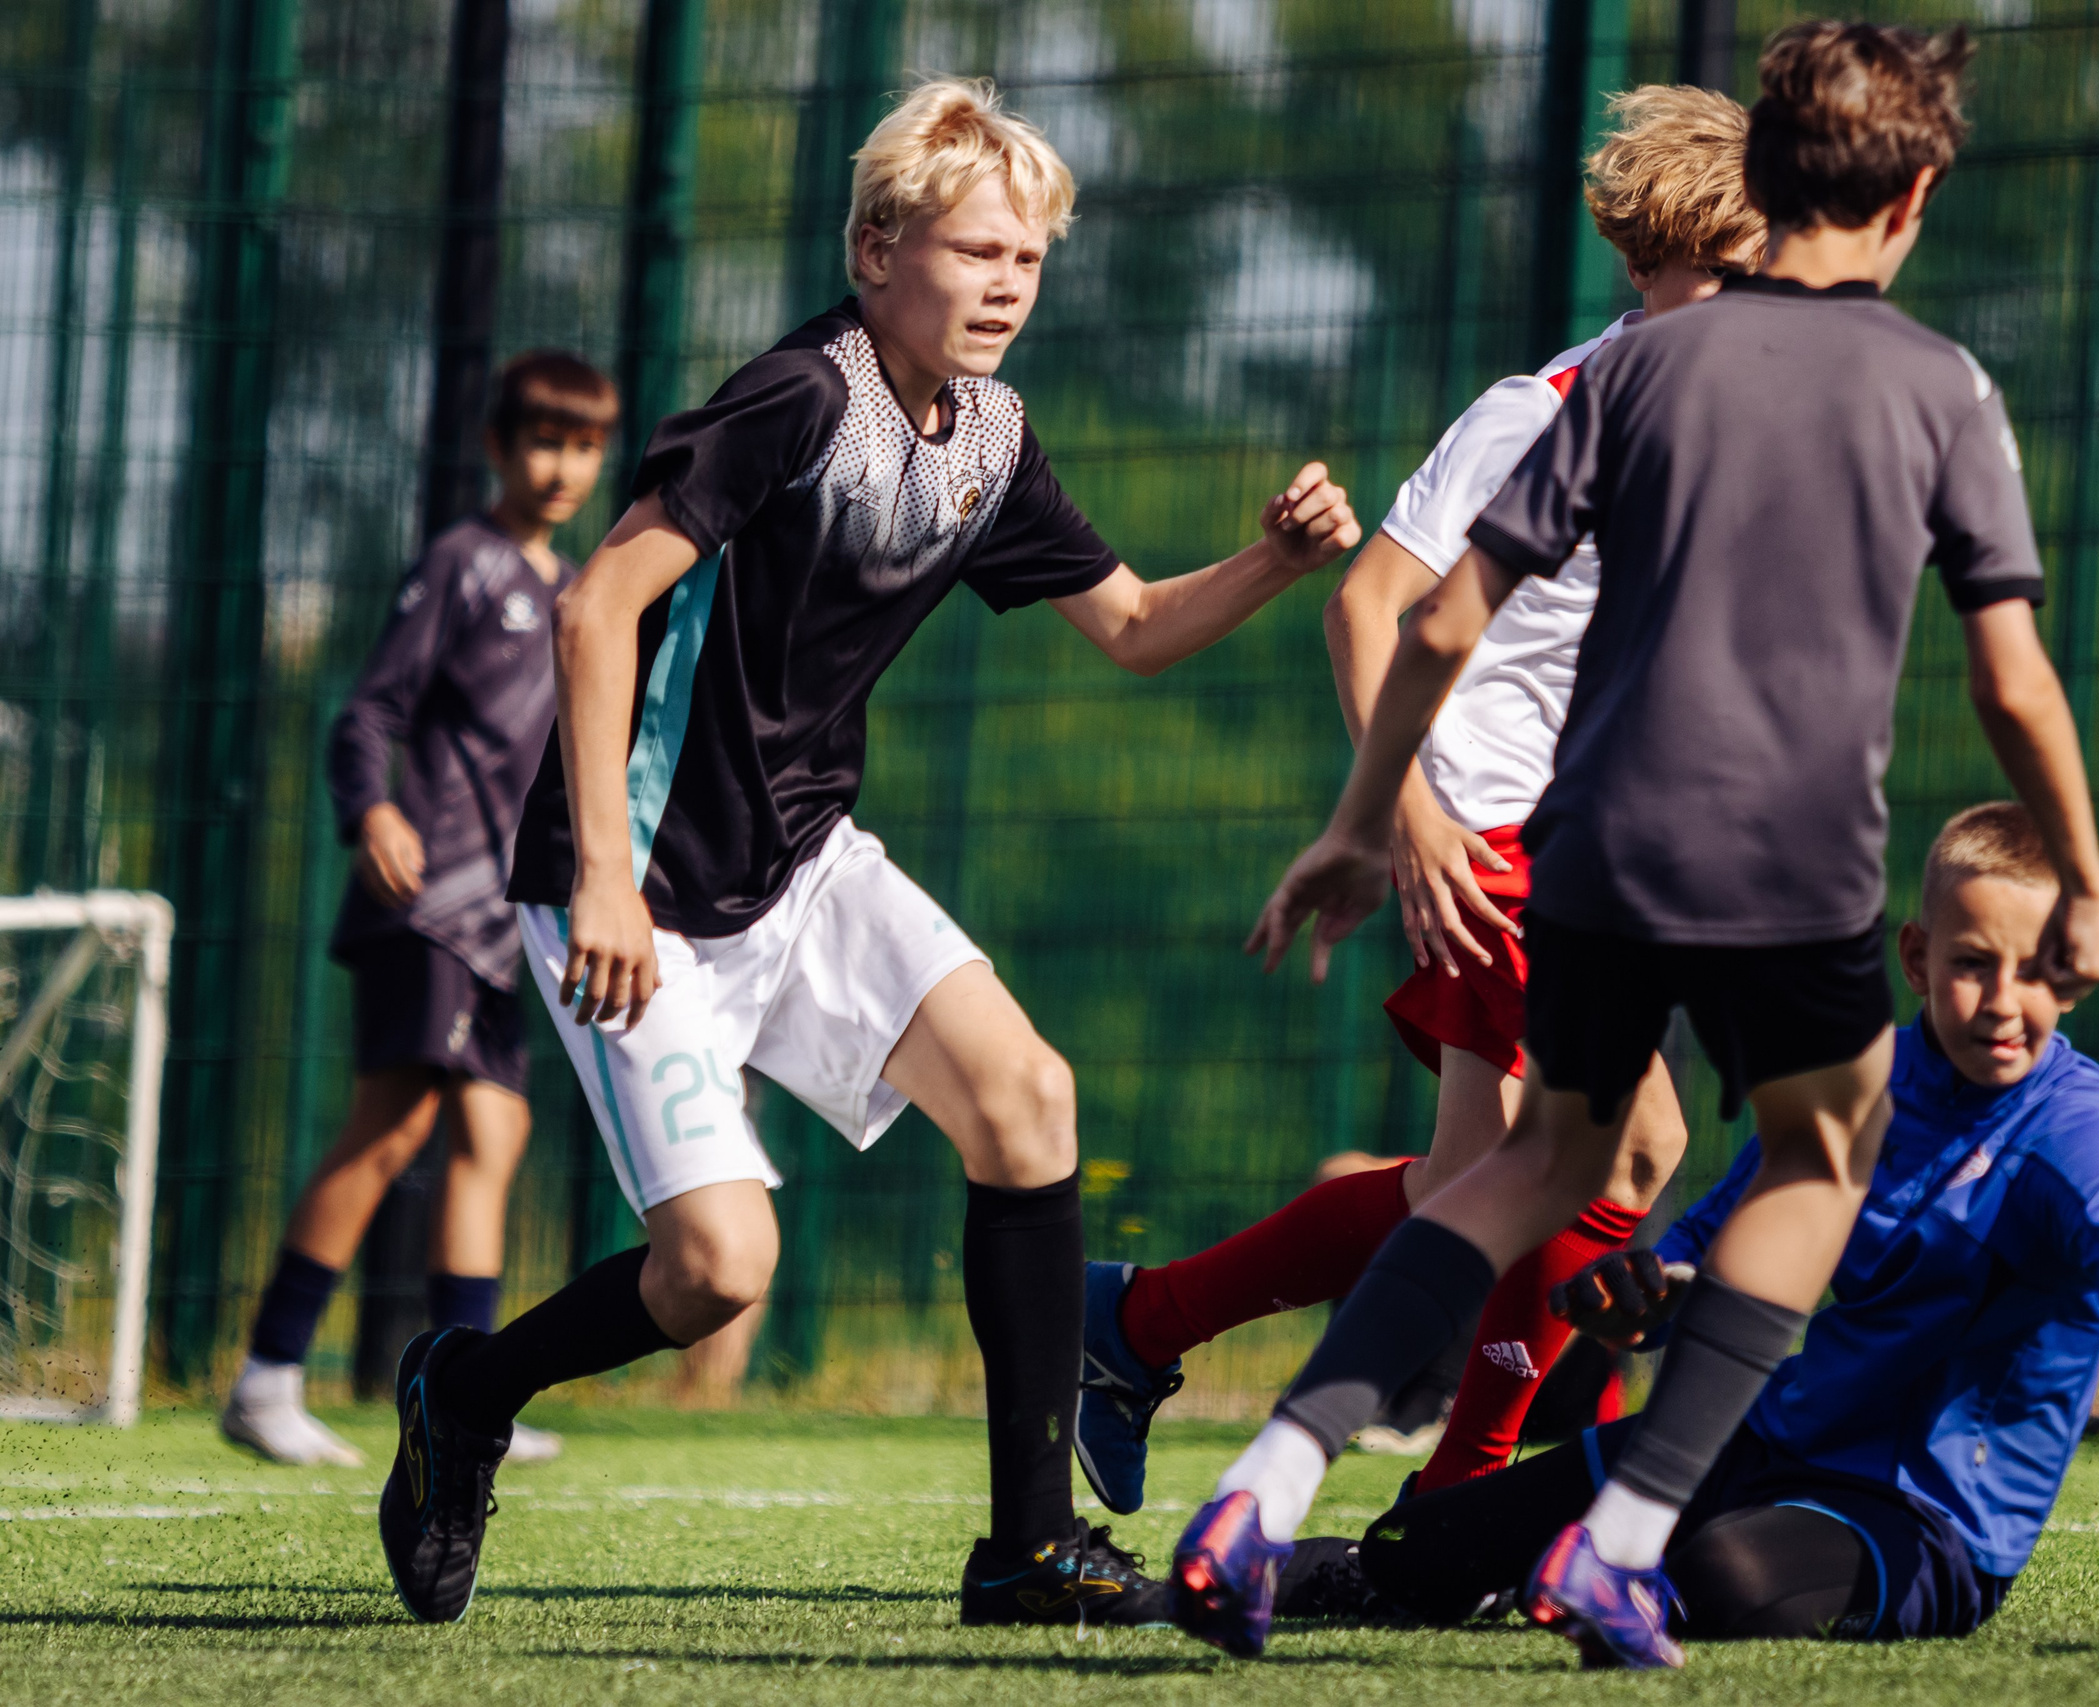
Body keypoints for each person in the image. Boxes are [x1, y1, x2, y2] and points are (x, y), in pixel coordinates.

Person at [1188, 22, 2099, 1668]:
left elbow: (1436, 621)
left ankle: (1265, 1481)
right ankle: (1618, 1543)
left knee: (1531, 1167)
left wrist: (1362, 819)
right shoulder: (1939, 384)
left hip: (1595, 855)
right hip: (1794, 862)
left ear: (1760, 188)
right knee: (1819, 1158)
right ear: (1911, 198)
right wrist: (2086, 881)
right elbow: (2009, 673)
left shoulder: (1622, 370)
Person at [372, 79, 1360, 1629]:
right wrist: (610, 879)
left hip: (804, 862)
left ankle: (1027, 1548)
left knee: (1030, 1098)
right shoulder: (795, 399)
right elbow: (596, 606)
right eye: (976, 251)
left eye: (1028, 259)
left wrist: (1278, 559)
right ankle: (470, 1388)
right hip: (634, 887)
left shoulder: (993, 436)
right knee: (719, 1266)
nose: (1007, 285)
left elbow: (1140, 627)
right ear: (878, 246)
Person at [1075, 85, 1767, 1515]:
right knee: (1623, 1145)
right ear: (1651, 265)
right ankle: (1460, 1488)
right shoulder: (1548, 408)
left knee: (1479, 1171)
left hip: (1580, 844)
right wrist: (1409, 816)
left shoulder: (1718, 430)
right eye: (1728, 271)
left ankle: (1137, 1324)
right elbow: (1370, 605)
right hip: (1493, 831)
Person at [1275, 803, 2099, 1643]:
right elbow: (1724, 1226)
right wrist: (1646, 1286)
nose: (2000, 1000)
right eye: (1968, 965)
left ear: (2078, 975)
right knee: (1420, 1546)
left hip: (1922, 1520)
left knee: (1727, 1581)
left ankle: (1584, 1579)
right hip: (1760, 1439)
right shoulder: (1866, 1078)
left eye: (2033, 971)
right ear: (1917, 959)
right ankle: (1357, 1570)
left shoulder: (2070, 1133)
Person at [220, 351, 618, 1470]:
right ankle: (268, 1376)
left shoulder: (578, 590)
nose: (562, 466)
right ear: (497, 447)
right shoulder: (462, 563)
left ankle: (466, 1392)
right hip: (428, 896)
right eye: (542, 440)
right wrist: (372, 815)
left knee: (496, 1134)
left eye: (583, 445)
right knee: (393, 1125)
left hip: (503, 916)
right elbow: (367, 713)